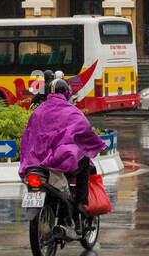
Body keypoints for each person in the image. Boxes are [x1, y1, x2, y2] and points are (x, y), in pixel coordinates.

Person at [18, 77, 105, 225]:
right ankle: (81, 203)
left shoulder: (37, 112)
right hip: (60, 163)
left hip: (35, 165)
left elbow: (28, 138)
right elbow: (86, 131)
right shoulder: (73, 112)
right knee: (84, 162)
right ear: (66, 93)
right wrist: (98, 144)